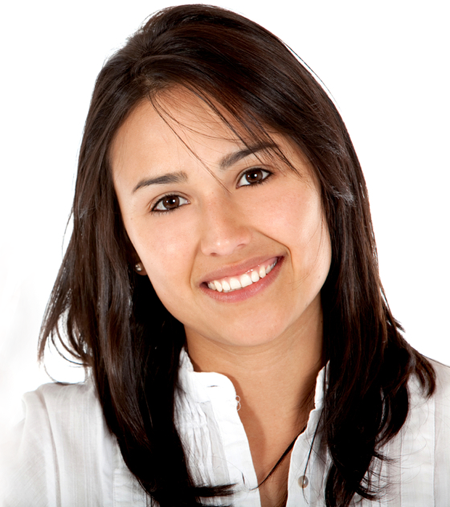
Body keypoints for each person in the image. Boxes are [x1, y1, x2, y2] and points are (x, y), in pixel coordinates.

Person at [1, 4, 449, 507]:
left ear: (329, 176)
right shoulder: (46, 455)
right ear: (127, 245)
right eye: (169, 202)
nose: (224, 236)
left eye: (253, 175)